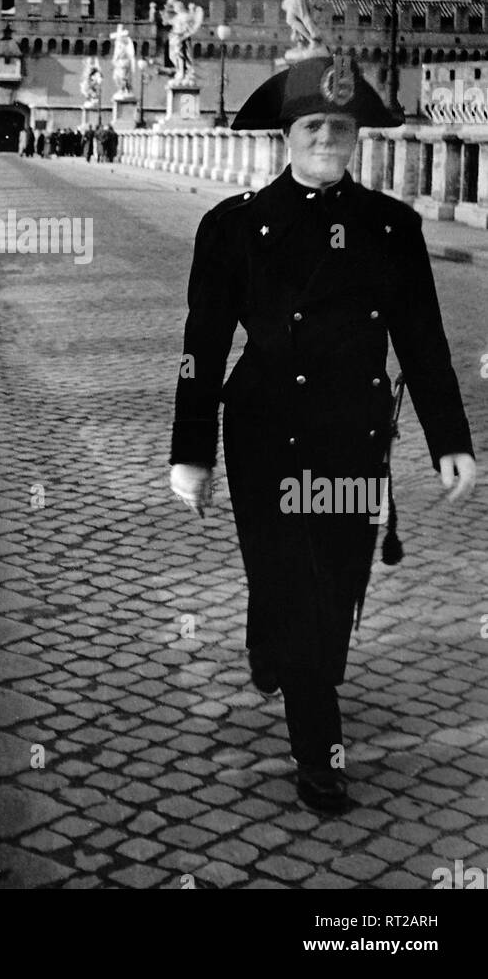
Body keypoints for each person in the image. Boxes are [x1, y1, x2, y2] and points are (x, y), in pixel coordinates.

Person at [169, 54, 476, 814]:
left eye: (340, 127)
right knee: (290, 583)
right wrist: (188, 454)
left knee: (336, 586)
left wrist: (449, 441)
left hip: (352, 438)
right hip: (264, 435)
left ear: (356, 135)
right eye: (313, 126)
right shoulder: (233, 226)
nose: (328, 139)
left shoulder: (391, 227)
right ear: (286, 135)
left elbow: (424, 341)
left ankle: (272, 636)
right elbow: (200, 346)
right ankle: (318, 748)